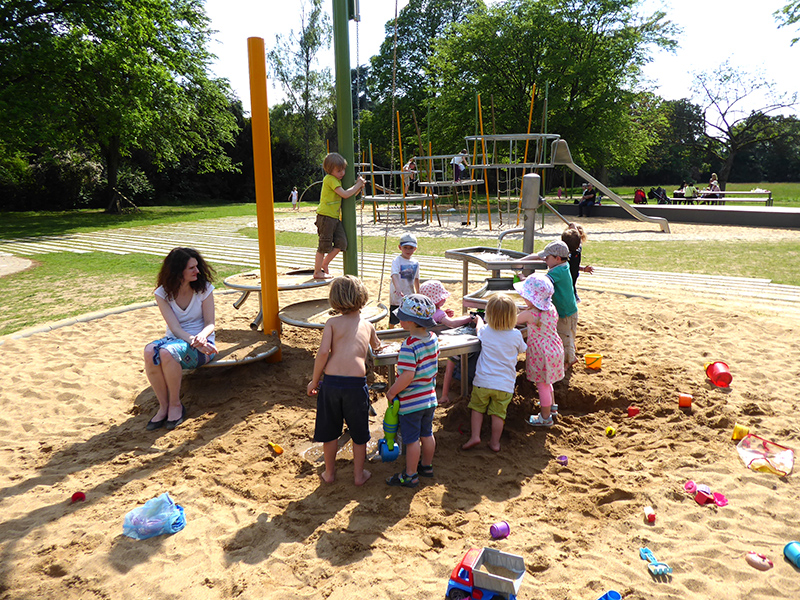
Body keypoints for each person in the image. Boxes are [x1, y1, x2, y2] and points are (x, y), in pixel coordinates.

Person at [307, 276, 382, 486]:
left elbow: (323, 353)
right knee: (359, 432)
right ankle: (359, 475)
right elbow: (377, 347)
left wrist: (314, 381)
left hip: (331, 383)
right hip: (355, 385)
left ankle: (329, 473)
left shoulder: (332, 323)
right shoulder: (368, 325)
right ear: (362, 297)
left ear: (335, 300)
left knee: (330, 431)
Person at [143, 248, 217, 431]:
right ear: (178, 271)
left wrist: (201, 337)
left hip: (204, 344)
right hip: (178, 339)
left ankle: (176, 404)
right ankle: (164, 406)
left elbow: (210, 323)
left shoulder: (204, 289)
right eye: (191, 268)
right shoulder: (163, 293)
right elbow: (175, 329)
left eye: (197, 266)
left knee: (167, 353)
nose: (197, 271)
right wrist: (193, 340)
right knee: (150, 351)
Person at [385, 294, 440, 488]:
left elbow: (408, 375)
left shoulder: (409, 345)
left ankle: (410, 475)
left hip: (411, 401)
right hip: (429, 397)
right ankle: (426, 466)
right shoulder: (433, 338)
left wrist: (392, 392)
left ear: (409, 321)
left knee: (412, 440)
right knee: (427, 434)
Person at [461, 294, 526, 452]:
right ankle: (495, 442)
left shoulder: (486, 331)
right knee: (498, 414)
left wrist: (479, 320)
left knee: (477, 408)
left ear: (489, 314)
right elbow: (523, 349)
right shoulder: (516, 335)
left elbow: (479, 329)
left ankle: (475, 436)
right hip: (505, 384)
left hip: (483, 381)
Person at [514, 275, 565, 427]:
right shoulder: (551, 308)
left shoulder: (531, 314)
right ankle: (552, 407)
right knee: (548, 381)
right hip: (554, 347)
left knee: (541, 385)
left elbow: (513, 320)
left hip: (541, 353)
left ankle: (545, 417)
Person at [418, 279, 478, 406]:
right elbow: (452, 324)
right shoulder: (437, 312)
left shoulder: (424, 311)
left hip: (423, 344)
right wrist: (470, 318)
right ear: (435, 300)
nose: (444, 299)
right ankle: (445, 394)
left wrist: (444, 314)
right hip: (439, 344)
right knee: (451, 363)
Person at [522, 241, 579, 369]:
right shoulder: (563, 265)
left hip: (566, 312)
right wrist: (520, 261)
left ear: (557, 258)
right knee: (567, 336)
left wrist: (525, 281)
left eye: (547, 258)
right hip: (566, 310)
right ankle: (570, 354)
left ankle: (567, 361)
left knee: (564, 337)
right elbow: (537, 256)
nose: (544, 260)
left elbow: (542, 284)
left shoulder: (558, 271)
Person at [314, 152, 366, 280]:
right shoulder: (330, 179)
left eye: (343, 169)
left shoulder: (337, 180)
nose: (342, 173)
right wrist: (358, 185)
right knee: (323, 246)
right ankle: (317, 271)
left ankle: (325, 263)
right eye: (338, 170)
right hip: (325, 217)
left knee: (342, 243)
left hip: (334, 218)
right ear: (329, 170)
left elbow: (348, 195)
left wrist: (359, 187)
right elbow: (345, 194)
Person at [388, 233, 421, 328]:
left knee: (408, 316)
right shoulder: (397, 260)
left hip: (409, 294)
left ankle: (405, 331)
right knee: (394, 318)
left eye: (411, 248)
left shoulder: (415, 262)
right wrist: (397, 288)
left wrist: (418, 292)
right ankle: (390, 330)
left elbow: (416, 278)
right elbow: (394, 275)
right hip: (397, 296)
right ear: (400, 247)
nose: (408, 250)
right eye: (405, 247)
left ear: (415, 249)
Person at [561, 223, 593, 301]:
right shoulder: (575, 252)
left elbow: (573, 266)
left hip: (567, 286)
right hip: (566, 287)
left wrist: (583, 269)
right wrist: (575, 229)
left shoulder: (562, 252)